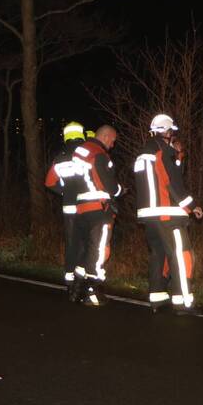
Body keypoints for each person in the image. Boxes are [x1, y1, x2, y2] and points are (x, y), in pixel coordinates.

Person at [134, 114, 203, 314]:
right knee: (183, 255)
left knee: (159, 255)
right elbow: (172, 182)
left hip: (149, 215)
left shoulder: (144, 152)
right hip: (167, 214)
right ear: (167, 131)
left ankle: (158, 298)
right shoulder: (161, 151)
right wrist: (192, 206)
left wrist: (177, 159)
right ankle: (183, 301)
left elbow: (157, 180)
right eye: (171, 131)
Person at [69, 125, 122, 306]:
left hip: (81, 208)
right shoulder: (98, 153)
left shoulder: (79, 152)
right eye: (112, 140)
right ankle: (93, 292)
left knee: (86, 250)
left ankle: (76, 289)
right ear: (105, 136)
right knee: (99, 250)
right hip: (99, 209)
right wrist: (119, 190)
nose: (113, 145)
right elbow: (108, 184)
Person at [44, 121, 86, 300]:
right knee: (86, 243)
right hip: (86, 206)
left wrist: (64, 192)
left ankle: (69, 280)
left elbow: (49, 182)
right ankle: (81, 279)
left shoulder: (60, 157)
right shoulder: (86, 155)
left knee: (71, 243)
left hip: (68, 207)